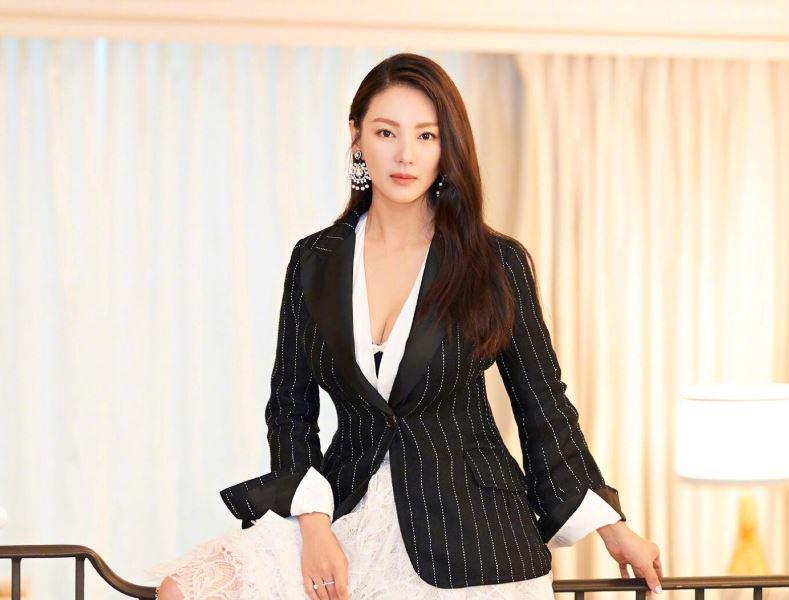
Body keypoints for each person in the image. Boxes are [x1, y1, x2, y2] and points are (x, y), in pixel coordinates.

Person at [146, 52, 663, 599]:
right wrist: (313, 528)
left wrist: (612, 527)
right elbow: (290, 409)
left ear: (447, 146)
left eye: (426, 136)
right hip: (345, 514)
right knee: (184, 589)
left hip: (473, 535)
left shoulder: (495, 263)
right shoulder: (315, 261)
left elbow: (542, 403)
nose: (405, 155)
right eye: (386, 132)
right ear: (357, 137)